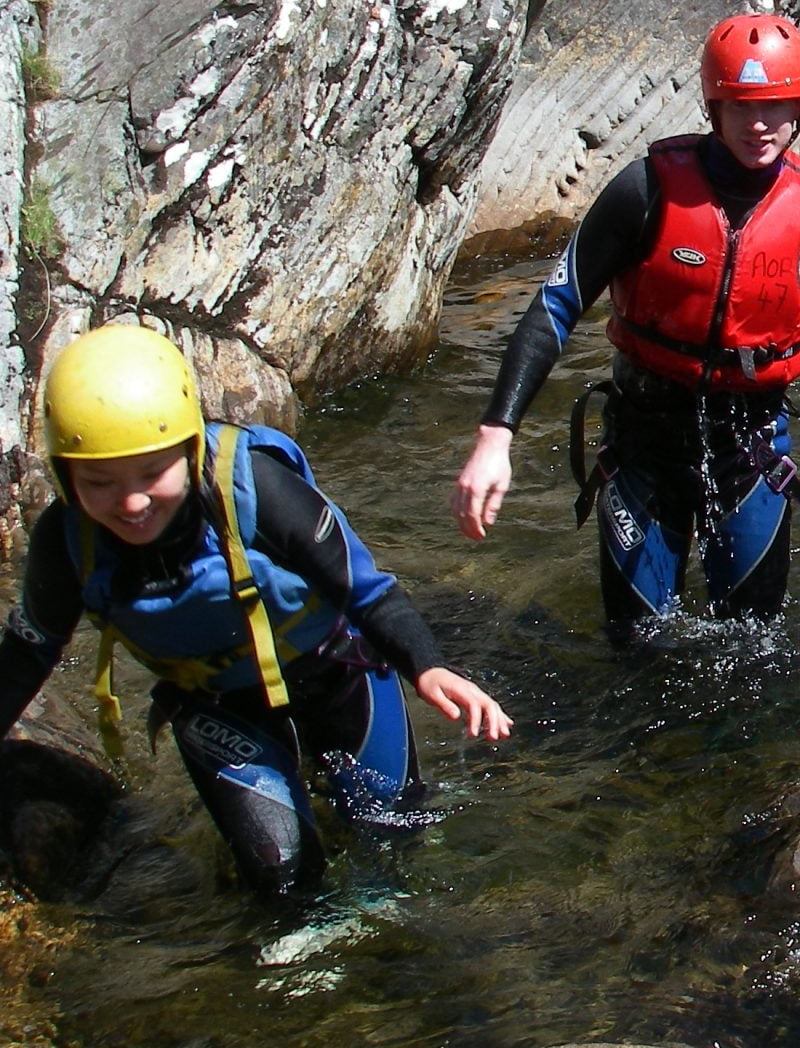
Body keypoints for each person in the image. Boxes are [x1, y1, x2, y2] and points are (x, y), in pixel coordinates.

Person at [450, 14, 800, 628]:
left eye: (774, 106)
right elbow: (555, 307)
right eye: (740, 105)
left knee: (750, 648)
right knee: (637, 644)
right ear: (713, 106)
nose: (757, 124)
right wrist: (496, 436)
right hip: (643, 441)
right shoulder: (645, 191)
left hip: (749, 448)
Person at [0, 325, 512, 900]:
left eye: (152, 473)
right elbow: (30, 650)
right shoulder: (66, 541)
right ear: (65, 475)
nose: (132, 502)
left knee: (391, 835)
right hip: (220, 704)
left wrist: (428, 666)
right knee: (283, 882)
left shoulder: (254, 489)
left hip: (338, 674)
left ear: (191, 452)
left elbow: (367, 591)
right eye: (99, 482)